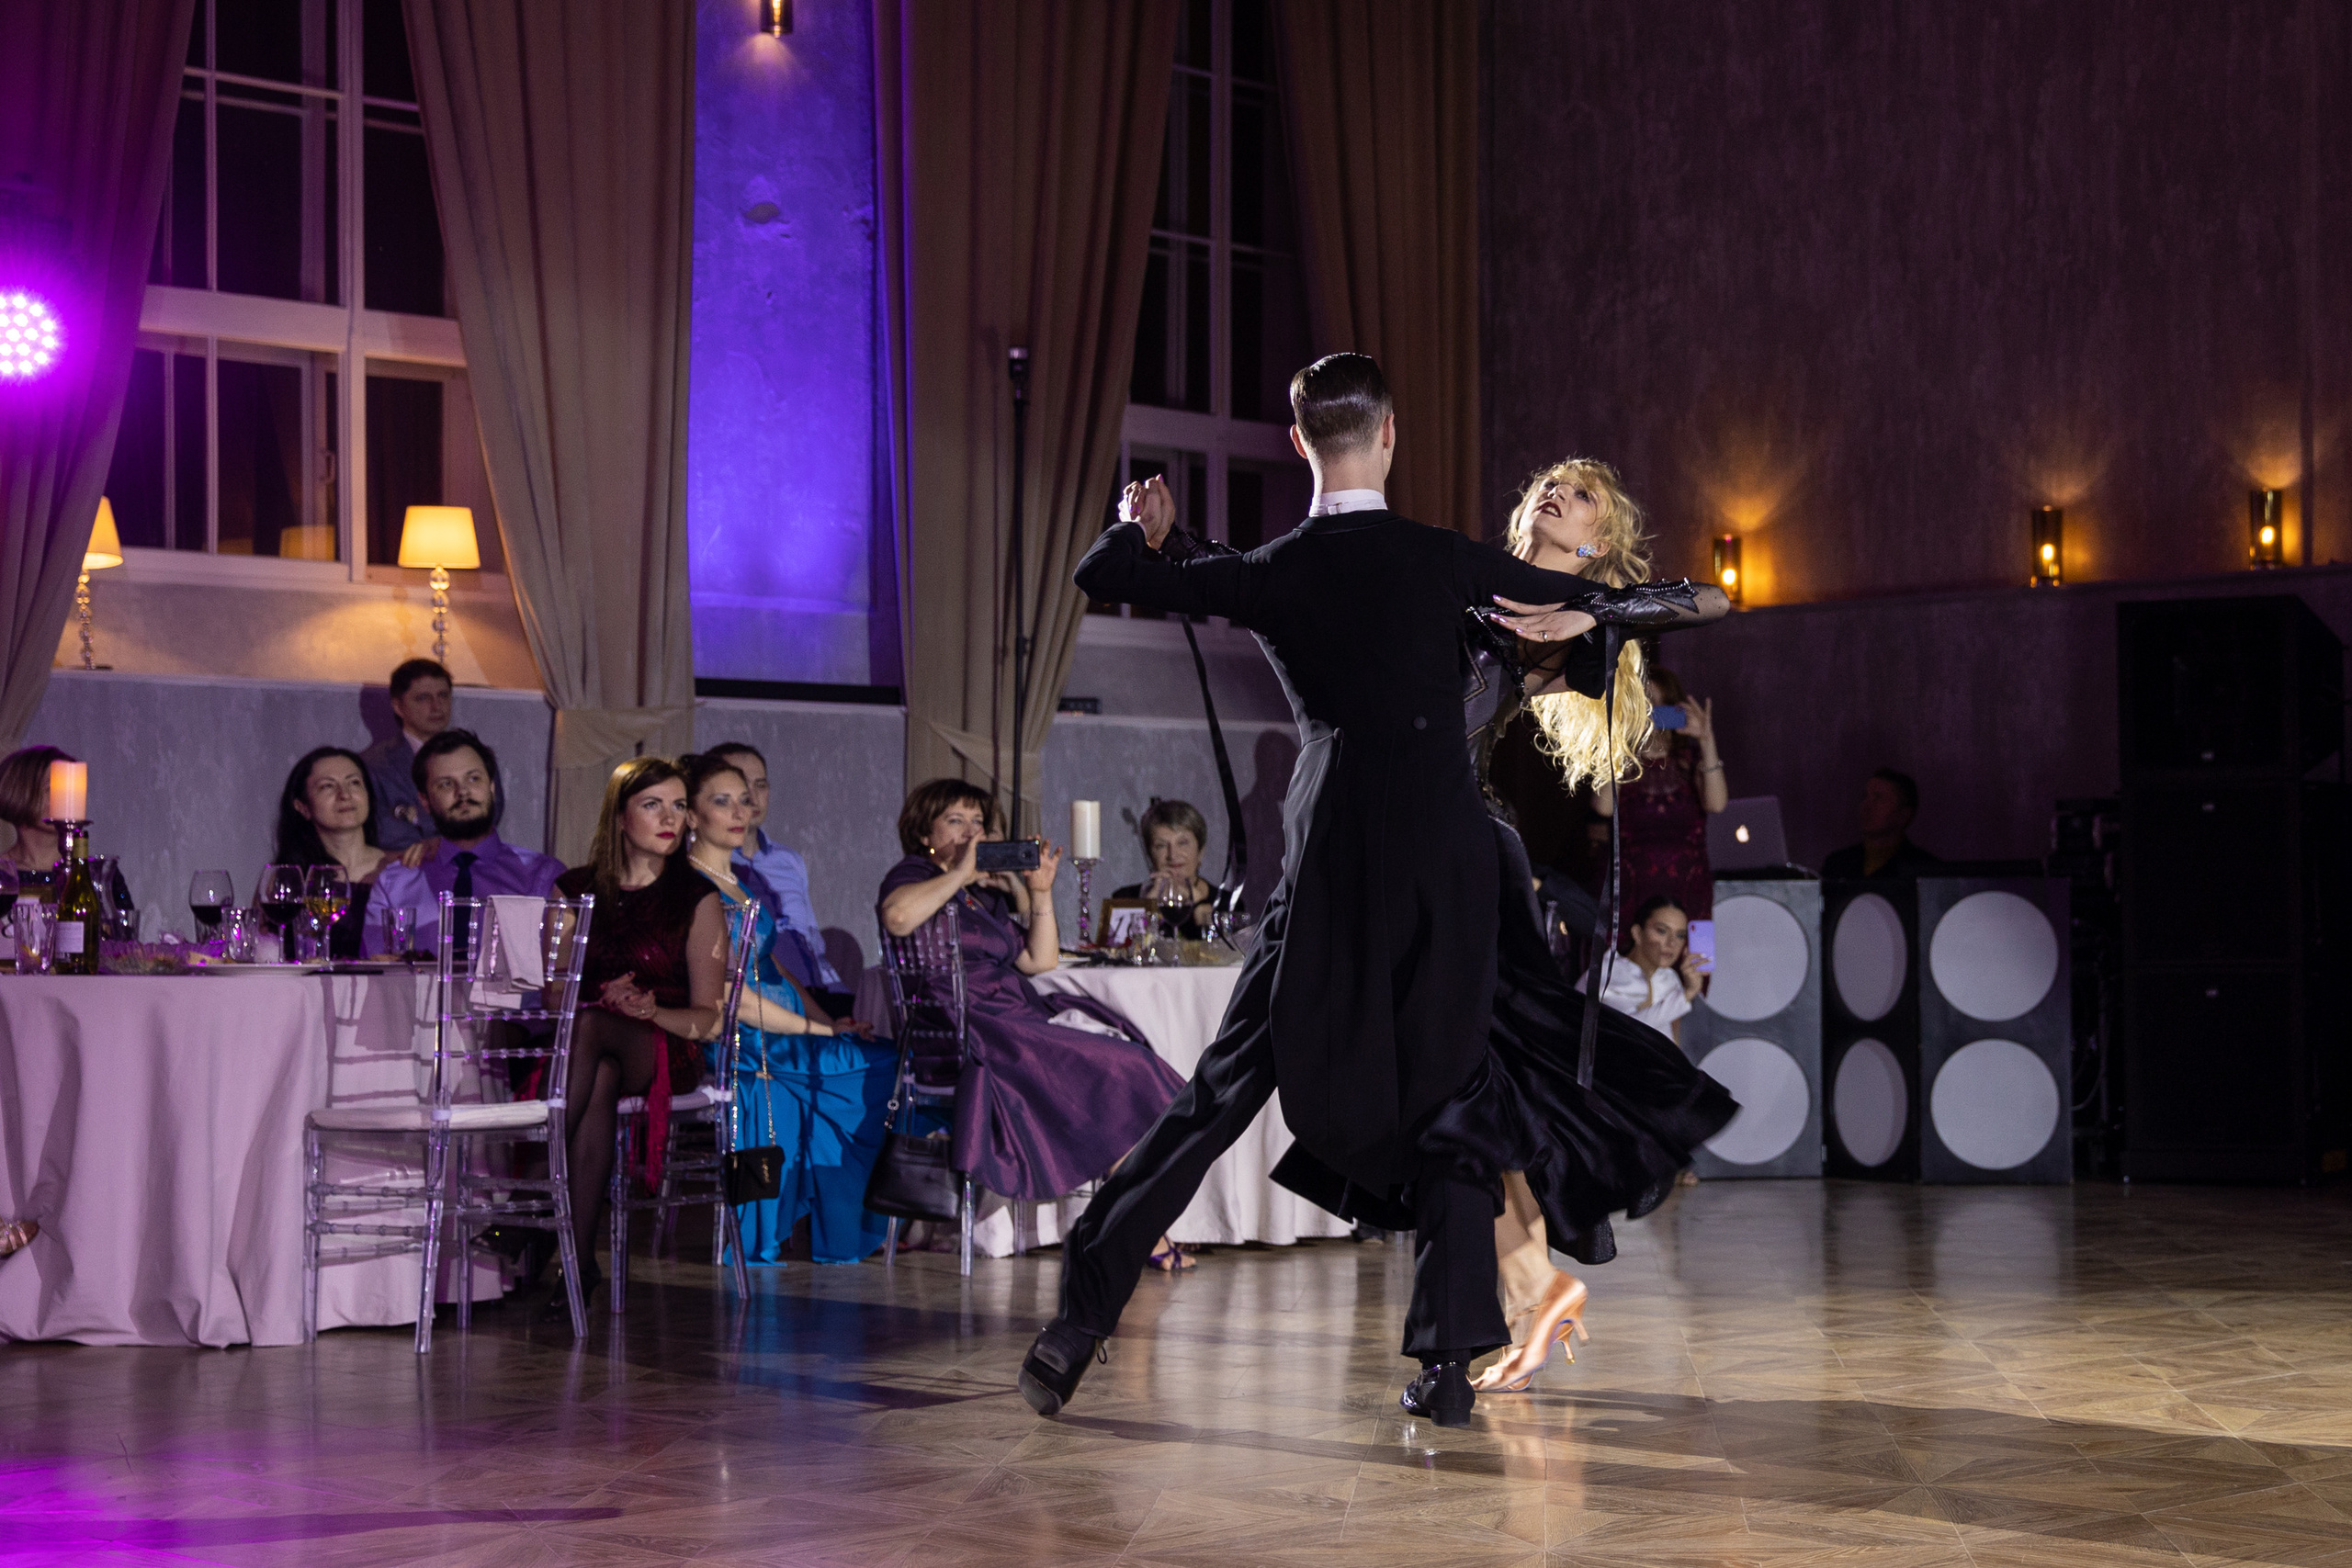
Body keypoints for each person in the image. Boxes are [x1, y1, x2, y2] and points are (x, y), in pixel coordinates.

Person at [1022, 354, 1722, 1428]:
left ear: (1297, 442)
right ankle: (1447, 1361)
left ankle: (1077, 1324)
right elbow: (1700, 601)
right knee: (1451, 1097)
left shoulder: (1279, 570)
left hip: (1329, 859)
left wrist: (1141, 527)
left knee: (1220, 1094)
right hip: (1443, 861)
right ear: (1390, 434)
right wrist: (1592, 614)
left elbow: (1106, 570)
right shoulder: (1447, 562)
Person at [1454, 461, 1738, 1396]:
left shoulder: (1576, 621)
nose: (1553, 492)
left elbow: (1712, 598)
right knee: (1474, 1077)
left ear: (1599, 540)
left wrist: (1593, 613)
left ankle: (1530, 1283)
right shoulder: (1474, 585)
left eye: (1578, 494)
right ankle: (1532, 1284)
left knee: (1467, 1073)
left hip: (1471, 851)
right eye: (1547, 482)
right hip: (1437, 844)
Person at [878, 778, 1194, 1269]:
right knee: (1115, 1066)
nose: (971, 833)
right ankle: (1137, 1228)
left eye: (978, 822)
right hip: (966, 1027)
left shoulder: (979, 895)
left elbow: (1038, 960)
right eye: (956, 821)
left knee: (1124, 1061)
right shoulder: (912, 874)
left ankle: (1133, 1224)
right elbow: (898, 918)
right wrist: (960, 873)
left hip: (1012, 1015)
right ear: (925, 833)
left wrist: (1039, 893)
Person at [680, 752, 891, 1266]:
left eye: (745, 800)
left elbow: (777, 968)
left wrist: (828, 1022)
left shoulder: (743, 883)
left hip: (787, 1026)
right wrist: (815, 1033)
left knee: (883, 1059)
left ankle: (841, 1219)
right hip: (747, 1035)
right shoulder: (690, 888)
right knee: (876, 1069)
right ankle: (833, 1216)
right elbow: (727, 993)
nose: (740, 811)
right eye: (722, 801)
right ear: (692, 815)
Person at [549, 758, 729, 1306]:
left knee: (594, 1029)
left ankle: (532, 1189)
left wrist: (649, 1012)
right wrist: (604, 996)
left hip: (666, 1046)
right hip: (588, 1049)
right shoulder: (575, 889)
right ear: (620, 816)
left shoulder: (696, 898)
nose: (671, 818)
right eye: (653, 805)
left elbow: (710, 1019)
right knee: (599, 1070)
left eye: (679, 806)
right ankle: (579, 1266)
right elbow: (552, 993)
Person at [371, 728, 562, 954]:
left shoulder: (542, 875)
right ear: (425, 801)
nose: (463, 792)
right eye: (446, 784)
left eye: (473, 779)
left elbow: (560, 966)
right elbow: (378, 967)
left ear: (492, 787)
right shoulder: (394, 884)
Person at [1590, 663, 1726, 939]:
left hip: (1690, 888)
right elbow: (1603, 807)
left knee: (1696, 960)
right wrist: (1617, 739)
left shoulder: (1690, 760)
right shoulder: (1620, 759)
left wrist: (1707, 739)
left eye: (1662, 707)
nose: (1653, 715)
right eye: (1645, 706)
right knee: (1625, 962)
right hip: (1629, 888)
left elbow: (1717, 804)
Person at [272, 746, 391, 960]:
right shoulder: (286, 878)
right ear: (302, 806)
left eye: (354, 783)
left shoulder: (399, 868)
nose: (345, 795)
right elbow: (264, 949)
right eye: (327, 786)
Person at [0, 745, 135, 911]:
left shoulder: (98, 875)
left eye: (73, 790)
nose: (67, 800)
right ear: (20, 794)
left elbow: (123, 926)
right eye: (54, 789)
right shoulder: (3, 874)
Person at [360, 659, 454, 852]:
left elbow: (487, 818)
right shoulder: (373, 764)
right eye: (423, 698)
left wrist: (416, 817)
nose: (437, 706)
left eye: (443, 695)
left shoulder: (474, 756)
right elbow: (381, 829)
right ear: (398, 706)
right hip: (401, 862)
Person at [1583, 894, 1704, 1040]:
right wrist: (1687, 994)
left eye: (1680, 935)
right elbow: (1628, 1031)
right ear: (1637, 933)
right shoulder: (1607, 972)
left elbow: (1672, 1041)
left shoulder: (1669, 978)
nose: (1672, 943)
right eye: (1662, 931)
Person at [1110, 799, 1227, 940]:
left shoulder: (1227, 903)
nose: (1172, 855)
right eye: (1161, 846)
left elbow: (1230, 950)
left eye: (1182, 843)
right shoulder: (1125, 898)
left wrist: (1199, 904)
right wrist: (1148, 906)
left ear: (1200, 851)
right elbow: (1118, 949)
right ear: (1150, 854)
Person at [1822, 767, 1942, 878]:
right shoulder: (1837, 864)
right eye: (1865, 797)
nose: (1866, 806)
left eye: (1878, 798)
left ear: (1903, 814)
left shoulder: (1925, 870)